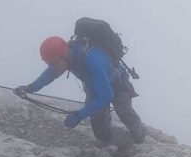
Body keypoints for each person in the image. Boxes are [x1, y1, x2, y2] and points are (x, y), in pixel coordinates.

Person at [15, 36, 146, 145]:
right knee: (100, 130)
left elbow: (106, 96)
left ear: (62, 55)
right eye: (50, 63)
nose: (52, 66)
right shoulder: (66, 58)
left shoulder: (93, 59)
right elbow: (50, 74)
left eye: (53, 63)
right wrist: (30, 88)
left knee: (125, 113)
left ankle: (139, 136)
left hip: (118, 85)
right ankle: (117, 143)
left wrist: (79, 115)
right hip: (94, 87)